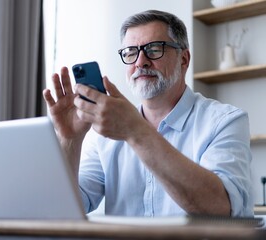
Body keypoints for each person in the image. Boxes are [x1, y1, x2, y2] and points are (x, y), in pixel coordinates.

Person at [43, 10, 253, 217]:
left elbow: (220, 208)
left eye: (154, 49)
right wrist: (70, 140)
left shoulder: (225, 121)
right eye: (131, 52)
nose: (140, 62)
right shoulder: (104, 136)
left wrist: (135, 131)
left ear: (184, 59)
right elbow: (64, 210)